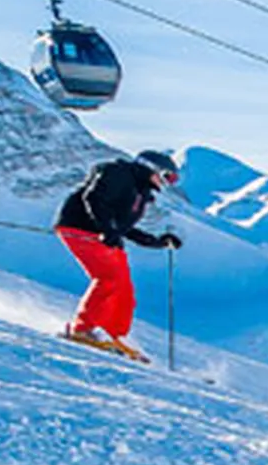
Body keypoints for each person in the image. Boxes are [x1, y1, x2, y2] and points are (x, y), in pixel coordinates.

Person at [55, 148, 181, 356]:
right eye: (167, 177)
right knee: (108, 278)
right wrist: (106, 229)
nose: (168, 183)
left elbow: (124, 227)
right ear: (151, 168)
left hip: (103, 233)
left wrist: (158, 242)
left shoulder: (140, 192)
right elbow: (94, 198)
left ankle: (112, 335)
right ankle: (83, 330)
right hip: (80, 227)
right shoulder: (118, 173)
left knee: (125, 290)